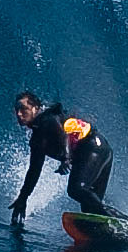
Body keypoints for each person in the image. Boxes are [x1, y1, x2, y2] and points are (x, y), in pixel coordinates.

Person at [11, 90, 116, 222]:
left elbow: (63, 134)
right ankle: (116, 226)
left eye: (23, 109)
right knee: (90, 209)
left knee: (76, 189)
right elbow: (34, 171)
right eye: (17, 110)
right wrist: (23, 198)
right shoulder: (37, 139)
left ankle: (117, 220)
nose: (19, 114)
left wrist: (66, 158)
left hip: (93, 147)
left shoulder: (49, 120)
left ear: (35, 108)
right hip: (100, 150)